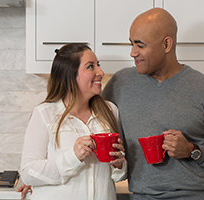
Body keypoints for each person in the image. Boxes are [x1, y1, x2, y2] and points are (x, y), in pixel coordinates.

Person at [102, 8, 204, 200]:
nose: (132, 52)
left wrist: (192, 151)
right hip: (142, 196)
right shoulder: (120, 83)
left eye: (140, 45)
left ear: (166, 44)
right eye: (131, 43)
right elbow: (93, 122)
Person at [19, 43, 127, 200]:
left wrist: (119, 164)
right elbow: (28, 173)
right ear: (69, 74)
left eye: (98, 65)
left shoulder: (110, 111)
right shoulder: (45, 113)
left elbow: (118, 176)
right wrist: (73, 156)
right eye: (91, 67)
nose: (101, 72)